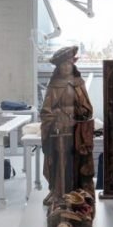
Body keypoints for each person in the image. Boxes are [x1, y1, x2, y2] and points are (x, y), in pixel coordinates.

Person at [40, 45, 95, 207]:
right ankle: (58, 192)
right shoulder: (54, 85)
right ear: (58, 67)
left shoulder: (78, 83)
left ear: (73, 65)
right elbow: (46, 110)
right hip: (59, 130)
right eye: (62, 65)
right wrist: (55, 119)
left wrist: (79, 114)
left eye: (68, 64)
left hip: (77, 131)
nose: (66, 68)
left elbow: (87, 108)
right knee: (60, 160)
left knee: (78, 160)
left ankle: (79, 191)